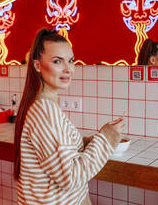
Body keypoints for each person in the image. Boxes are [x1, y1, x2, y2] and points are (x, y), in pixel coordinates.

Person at [14, 28, 125, 205]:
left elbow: (58, 152)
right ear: (36, 65)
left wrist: (89, 141)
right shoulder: (45, 111)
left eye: (71, 61)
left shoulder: (44, 105)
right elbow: (70, 178)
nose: (69, 69)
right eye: (58, 61)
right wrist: (107, 138)